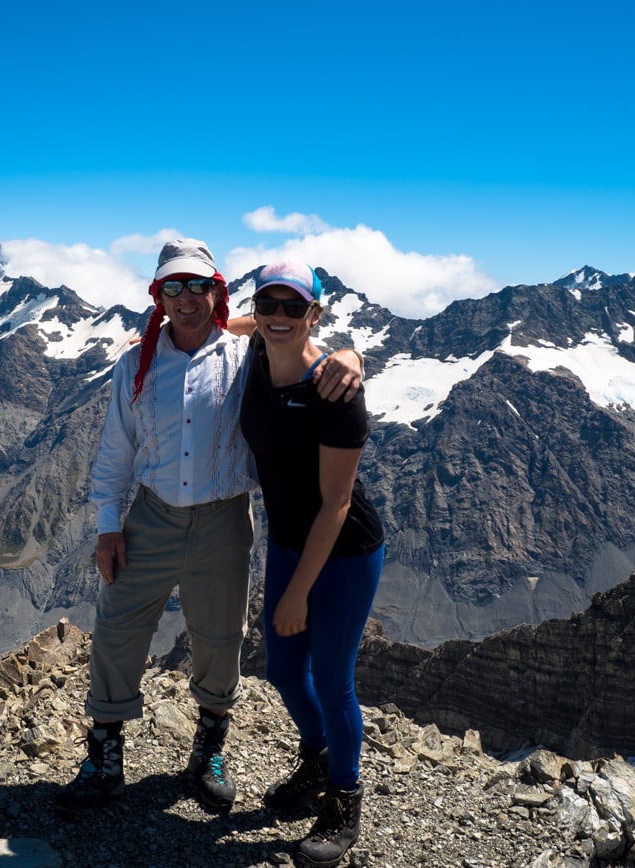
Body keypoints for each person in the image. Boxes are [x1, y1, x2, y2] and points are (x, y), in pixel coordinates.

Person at [56, 240, 363, 816]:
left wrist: (349, 355)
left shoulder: (244, 356)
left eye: (198, 286)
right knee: (118, 627)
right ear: (158, 297)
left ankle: (208, 753)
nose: (186, 298)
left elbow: (294, 342)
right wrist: (107, 526)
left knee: (220, 637)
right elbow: (114, 452)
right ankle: (103, 759)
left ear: (216, 292)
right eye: (173, 287)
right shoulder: (135, 366)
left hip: (224, 518)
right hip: (150, 515)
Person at [239, 261, 385, 867]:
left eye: (292, 307)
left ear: (314, 315)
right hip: (289, 540)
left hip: (344, 549)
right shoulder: (255, 350)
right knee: (280, 669)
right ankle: (319, 759)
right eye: (268, 304)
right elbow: (228, 322)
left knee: (330, 677)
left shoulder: (335, 394)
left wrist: (299, 591)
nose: (277, 316)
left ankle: (345, 798)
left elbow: (337, 503)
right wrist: (348, 348)